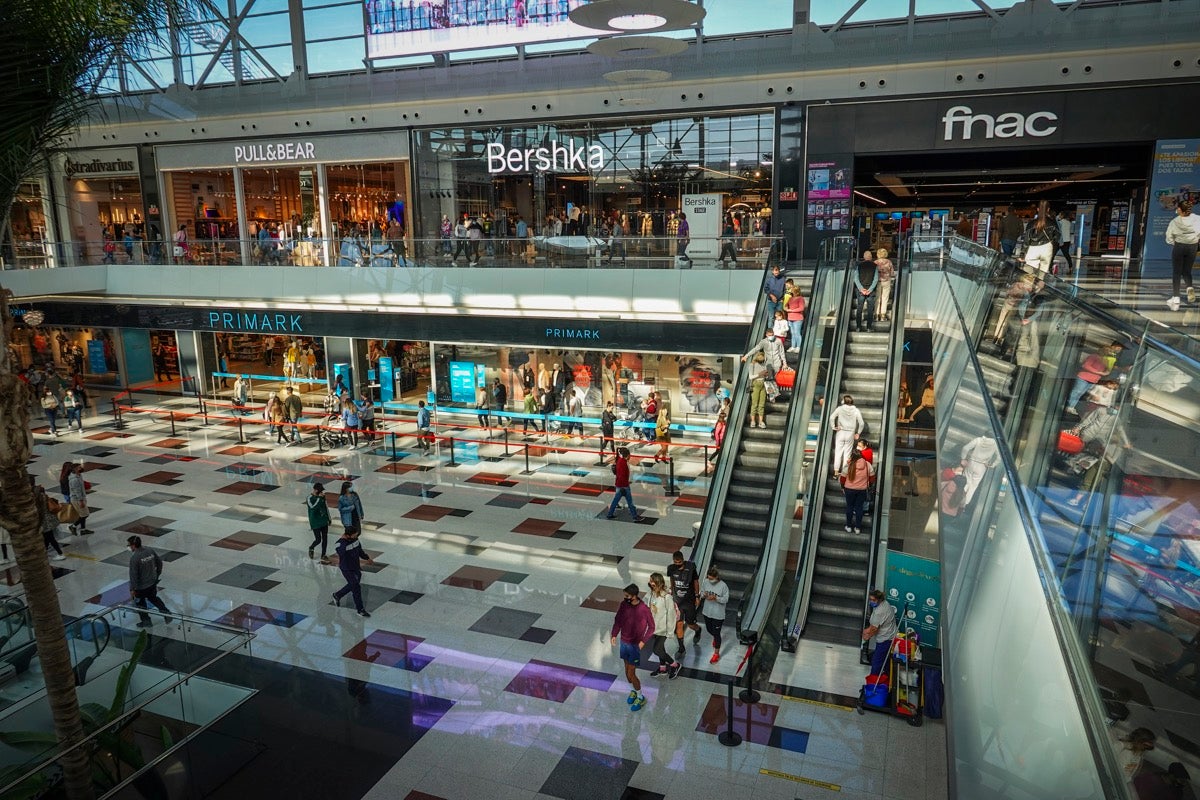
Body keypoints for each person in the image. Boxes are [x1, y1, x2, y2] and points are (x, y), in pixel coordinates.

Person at [610, 583, 655, 712]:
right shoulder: (624, 605)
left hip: (634, 645)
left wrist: (643, 641)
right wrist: (614, 634)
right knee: (626, 672)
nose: (625, 598)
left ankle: (640, 696)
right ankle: (633, 691)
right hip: (624, 642)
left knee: (631, 673)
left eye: (627, 596)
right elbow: (618, 620)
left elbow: (651, 627)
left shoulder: (644, 609)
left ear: (635, 596)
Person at [127, 535, 171, 627]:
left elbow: (134, 575)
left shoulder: (134, 558)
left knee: (140, 604)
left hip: (141, 587)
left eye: (129, 545)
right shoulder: (149, 551)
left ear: (133, 545)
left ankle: (146, 621)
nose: (129, 547)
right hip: (152, 582)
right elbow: (159, 562)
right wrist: (157, 574)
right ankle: (167, 614)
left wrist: (132, 589)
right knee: (154, 598)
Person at [1066, 343, 1122, 416]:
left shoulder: (1106, 360)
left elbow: (1107, 370)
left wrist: (1106, 372)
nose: (1109, 353)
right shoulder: (1094, 356)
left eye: (1110, 352)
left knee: (1080, 393)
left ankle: (1071, 406)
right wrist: (1098, 372)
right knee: (1076, 391)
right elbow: (1085, 365)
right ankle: (1069, 405)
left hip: (1093, 380)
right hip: (1084, 377)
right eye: (1107, 351)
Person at [331, 528, 374, 618]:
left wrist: (367, 558)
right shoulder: (340, 544)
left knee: (354, 584)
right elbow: (341, 553)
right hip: (346, 568)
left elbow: (360, 551)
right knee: (356, 587)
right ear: (347, 535)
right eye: (354, 535)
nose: (356, 536)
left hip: (355, 567)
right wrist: (343, 541)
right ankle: (360, 609)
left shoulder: (355, 540)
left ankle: (337, 595)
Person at [646, 573, 682, 679]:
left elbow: (672, 615)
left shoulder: (667, 597)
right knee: (660, 648)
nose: (650, 583)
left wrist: (670, 632)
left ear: (658, 583)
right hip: (654, 627)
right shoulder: (652, 594)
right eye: (650, 581)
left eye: (652, 581)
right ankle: (662, 668)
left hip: (664, 629)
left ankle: (675, 665)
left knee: (656, 650)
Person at [667, 550, 703, 658]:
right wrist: (671, 590)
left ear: (683, 560)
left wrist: (697, 596)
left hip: (689, 601)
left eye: (679, 562)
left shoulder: (691, 568)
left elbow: (696, 581)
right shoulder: (671, 568)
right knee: (679, 624)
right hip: (678, 601)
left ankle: (698, 630)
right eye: (675, 562)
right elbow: (672, 579)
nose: (677, 564)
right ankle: (681, 648)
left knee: (690, 623)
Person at [1165, 199, 1199, 310]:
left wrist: (1174, 242)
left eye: (1177, 208)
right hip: (1193, 246)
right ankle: (1189, 287)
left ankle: (1176, 297)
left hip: (1179, 247)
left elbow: (1169, 237)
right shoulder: (1197, 219)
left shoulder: (1175, 221)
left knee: (1177, 272)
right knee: (1187, 271)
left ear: (1180, 209)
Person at [861, 588, 898, 677]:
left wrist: (866, 636)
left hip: (885, 639)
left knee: (876, 662)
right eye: (870, 599)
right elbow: (873, 625)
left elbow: (874, 629)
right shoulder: (884, 604)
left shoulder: (880, 611)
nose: (871, 601)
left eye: (873, 600)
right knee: (885, 660)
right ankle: (888, 679)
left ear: (879, 599)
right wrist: (866, 631)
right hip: (889, 636)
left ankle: (872, 682)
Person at [700, 565, 730, 665]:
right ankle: (716, 639)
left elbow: (726, 599)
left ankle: (716, 653)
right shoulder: (705, 582)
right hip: (707, 612)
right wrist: (703, 595)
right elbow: (702, 592)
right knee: (709, 629)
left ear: (717, 577)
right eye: (709, 578)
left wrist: (716, 598)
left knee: (716, 633)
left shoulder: (723, 586)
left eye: (712, 579)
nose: (710, 580)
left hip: (718, 614)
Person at [829, 394, 864, 475]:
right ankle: (844, 472)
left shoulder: (840, 409)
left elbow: (831, 418)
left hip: (840, 432)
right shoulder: (856, 410)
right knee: (847, 453)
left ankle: (836, 472)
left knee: (838, 452)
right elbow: (861, 423)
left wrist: (833, 427)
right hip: (850, 433)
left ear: (844, 401)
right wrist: (858, 433)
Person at [841, 449, 875, 534]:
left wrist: (843, 487)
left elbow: (842, 478)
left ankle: (848, 526)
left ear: (852, 456)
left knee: (850, 507)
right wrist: (868, 484)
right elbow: (872, 478)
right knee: (859, 508)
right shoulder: (867, 465)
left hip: (849, 490)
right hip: (862, 490)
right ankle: (858, 528)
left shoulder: (849, 465)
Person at [606, 446, 642, 522]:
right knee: (630, 502)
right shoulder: (623, 463)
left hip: (619, 484)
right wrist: (624, 486)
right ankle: (635, 516)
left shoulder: (620, 460)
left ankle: (610, 514)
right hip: (623, 486)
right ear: (628, 455)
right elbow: (622, 475)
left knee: (615, 501)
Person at [1023, 201, 1058, 278]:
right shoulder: (1053, 223)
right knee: (1042, 275)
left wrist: (1023, 253)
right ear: (1048, 209)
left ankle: (1029, 288)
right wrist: (1053, 251)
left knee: (1029, 275)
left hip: (1033, 249)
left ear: (1038, 209)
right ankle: (1038, 289)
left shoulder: (1032, 223)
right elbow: (1057, 238)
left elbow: (1026, 240)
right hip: (1047, 248)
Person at [35, 486, 66, 562]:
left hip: (45, 522)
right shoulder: (45, 497)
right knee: (47, 538)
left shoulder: (38, 500)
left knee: (50, 538)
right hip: (49, 521)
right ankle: (44, 553)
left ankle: (60, 553)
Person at [853, 250, 879, 333]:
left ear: (864, 257)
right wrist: (870, 290)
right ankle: (869, 328)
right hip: (870, 292)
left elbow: (856, 278)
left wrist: (861, 289)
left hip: (861, 291)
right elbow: (875, 279)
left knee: (859, 309)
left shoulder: (859, 266)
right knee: (870, 310)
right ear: (871, 257)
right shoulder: (875, 266)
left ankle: (858, 327)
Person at [306, 482, 331, 561]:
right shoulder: (309, 498)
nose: (321, 492)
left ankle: (323, 554)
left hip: (323, 520)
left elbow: (325, 507)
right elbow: (313, 508)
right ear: (315, 490)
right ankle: (311, 547)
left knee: (325, 538)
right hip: (315, 522)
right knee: (318, 539)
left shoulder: (322, 497)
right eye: (319, 491)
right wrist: (319, 499)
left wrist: (329, 518)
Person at [68, 464, 93, 535]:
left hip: (81, 498)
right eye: (79, 467)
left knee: (83, 514)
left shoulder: (79, 475)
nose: (81, 468)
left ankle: (83, 529)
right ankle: (73, 526)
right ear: (75, 469)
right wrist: (81, 501)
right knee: (85, 514)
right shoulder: (74, 480)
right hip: (77, 500)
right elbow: (77, 491)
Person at [746, 352, 769, 429]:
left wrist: (766, 374)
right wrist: (760, 374)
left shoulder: (764, 364)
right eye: (760, 361)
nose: (762, 362)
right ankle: (753, 421)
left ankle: (761, 421)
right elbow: (750, 377)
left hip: (763, 383)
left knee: (762, 404)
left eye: (762, 360)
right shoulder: (751, 365)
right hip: (755, 384)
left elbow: (765, 373)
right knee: (754, 403)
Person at [784, 278, 806, 352]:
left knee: (797, 333)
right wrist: (787, 309)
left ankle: (799, 347)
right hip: (790, 318)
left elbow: (801, 308)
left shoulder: (800, 298)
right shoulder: (791, 298)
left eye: (793, 291)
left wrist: (792, 310)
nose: (792, 291)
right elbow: (786, 305)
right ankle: (793, 346)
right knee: (792, 333)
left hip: (798, 318)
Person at [874, 248, 894, 322]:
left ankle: (876, 314)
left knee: (877, 298)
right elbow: (892, 273)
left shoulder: (875, 262)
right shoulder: (889, 262)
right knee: (885, 298)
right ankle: (883, 315)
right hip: (886, 281)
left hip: (878, 281)